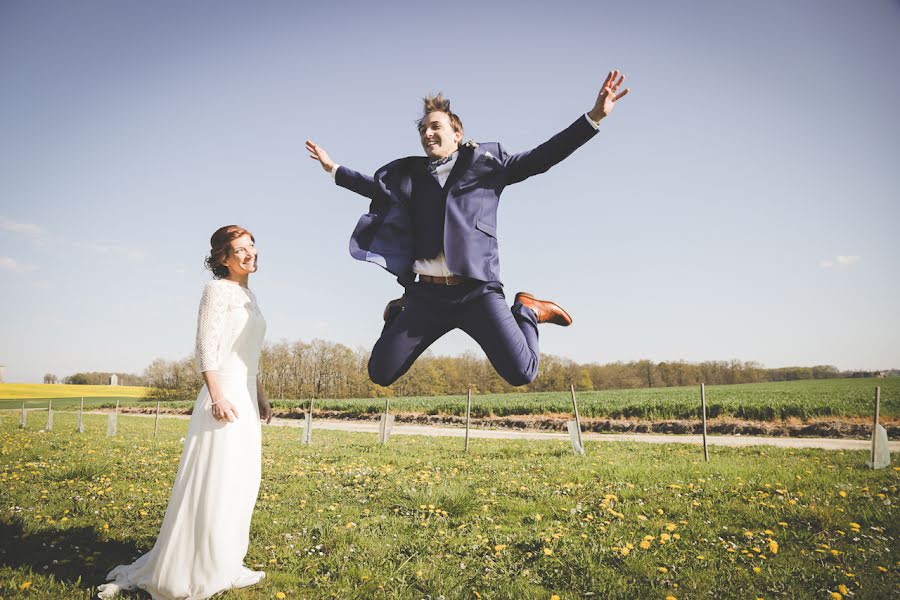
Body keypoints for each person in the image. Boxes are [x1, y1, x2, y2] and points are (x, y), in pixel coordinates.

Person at [306, 70, 629, 388]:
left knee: (522, 373)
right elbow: (376, 189)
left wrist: (593, 118)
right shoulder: (412, 176)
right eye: (423, 129)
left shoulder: (487, 166)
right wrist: (334, 169)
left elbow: (541, 157)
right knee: (380, 373)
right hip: (427, 296)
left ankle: (528, 311)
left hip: (476, 290)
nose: (428, 133)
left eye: (435, 126)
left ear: (457, 133)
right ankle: (397, 316)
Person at [98, 225, 272, 600]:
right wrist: (217, 396)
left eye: (252, 246)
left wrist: (258, 394)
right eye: (240, 249)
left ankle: (224, 562)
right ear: (223, 258)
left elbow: (248, 355)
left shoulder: (250, 296)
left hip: (244, 395)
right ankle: (192, 566)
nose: (250, 253)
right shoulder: (216, 291)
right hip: (222, 397)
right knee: (215, 481)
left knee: (241, 483)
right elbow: (206, 348)